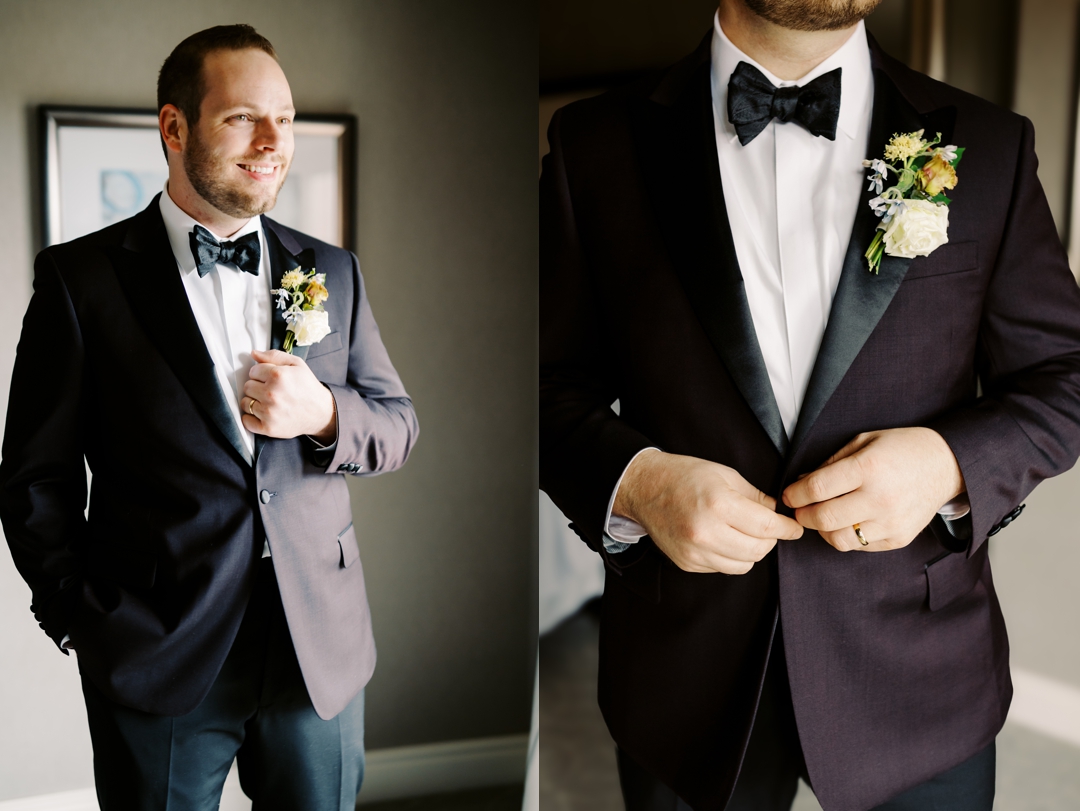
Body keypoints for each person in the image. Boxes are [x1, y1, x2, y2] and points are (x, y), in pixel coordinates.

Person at [539, 1, 1080, 809]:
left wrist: (946, 464)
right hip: (685, 678)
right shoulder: (594, 145)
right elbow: (543, 381)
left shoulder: (991, 144)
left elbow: (1065, 374)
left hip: (920, 679)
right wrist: (638, 483)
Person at [0, 24, 417, 811]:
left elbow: (397, 425)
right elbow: (33, 478)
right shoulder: (80, 281)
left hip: (316, 650)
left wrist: (325, 413)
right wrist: (78, 616)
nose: (273, 143)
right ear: (174, 127)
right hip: (157, 650)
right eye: (243, 118)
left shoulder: (331, 270)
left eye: (285, 120)